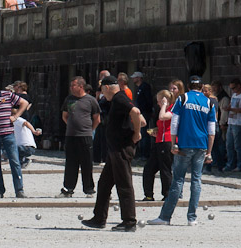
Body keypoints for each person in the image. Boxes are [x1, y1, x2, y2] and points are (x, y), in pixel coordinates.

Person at [147, 76, 215, 226]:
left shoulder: (183, 99)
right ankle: (192, 218)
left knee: (178, 180)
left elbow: (175, 121)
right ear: (201, 86)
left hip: (184, 143)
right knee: (196, 181)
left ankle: (165, 217)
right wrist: (209, 152)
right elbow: (212, 130)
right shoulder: (209, 102)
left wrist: (173, 143)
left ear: (189, 86)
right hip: (201, 145)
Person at [81, 76, 142, 232]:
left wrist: (136, 133)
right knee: (104, 184)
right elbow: (141, 119)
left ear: (106, 88)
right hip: (114, 149)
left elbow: (136, 112)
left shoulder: (119, 98)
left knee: (124, 183)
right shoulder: (117, 100)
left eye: (102, 89)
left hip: (121, 148)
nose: (101, 93)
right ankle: (99, 218)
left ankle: (129, 221)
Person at [61, 76, 101, 196]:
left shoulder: (91, 100)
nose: (71, 88)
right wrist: (71, 126)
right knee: (70, 163)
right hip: (71, 135)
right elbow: (64, 116)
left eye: (73, 85)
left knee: (87, 163)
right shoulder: (69, 99)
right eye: (71, 86)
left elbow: (97, 119)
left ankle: (88, 189)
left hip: (85, 135)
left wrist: (89, 129)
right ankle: (68, 188)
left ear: (81, 86)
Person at [141, 90, 175, 201]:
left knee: (165, 168)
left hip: (167, 141)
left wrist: (164, 105)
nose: (158, 104)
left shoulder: (171, 109)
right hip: (159, 140)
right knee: (149, 168)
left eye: (159, 101)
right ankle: (149, 194)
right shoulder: (164, 109)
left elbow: (162, 117)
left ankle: (168, 194)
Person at [223, 77, 241, 171]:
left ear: (239, 86)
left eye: (234, 88)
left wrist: (231, 109)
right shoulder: (234, 95)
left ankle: (240, 164)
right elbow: (231, 105)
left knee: (238, 145)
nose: (232, 90)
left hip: (239, 123)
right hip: (231, 122)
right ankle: (230, 164)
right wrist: (228, 108)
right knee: (229, 145)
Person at [131, 71, 155, 158]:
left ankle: (145, 154)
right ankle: (141, 152)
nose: (133, 79)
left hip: (145, 112)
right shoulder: (139, 88)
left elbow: (148, 100)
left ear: (139, 78)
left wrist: (148, 110)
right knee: (141, 131)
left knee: (144, 132)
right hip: (140, 112)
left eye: (135, 77)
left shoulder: (145, 87)